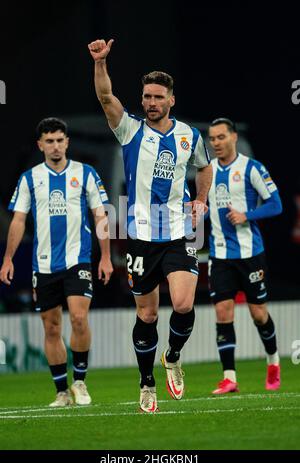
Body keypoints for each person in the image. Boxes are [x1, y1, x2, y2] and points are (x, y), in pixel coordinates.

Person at [88, 38, 212, 412]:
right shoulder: (129, 130)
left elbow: (205, 167)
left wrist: (201, 200)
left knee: (185, 302)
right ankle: (146, 383)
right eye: (146, 96)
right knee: (147, 314)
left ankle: (172, 356)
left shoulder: (189, 135)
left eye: (158, 97)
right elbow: (106, 97)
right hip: (141, 233)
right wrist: (100, 63)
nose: (151, 103)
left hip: (176, 229)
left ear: (171, 100)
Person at [0, 117, 113, 406]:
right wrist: (8, 259)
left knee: (78, 318)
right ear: (40, 145)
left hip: (79, 260)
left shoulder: (85, 173)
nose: (55, 146)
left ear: (67, 142)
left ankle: (80, 381)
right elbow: (19, 220)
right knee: (51, 328)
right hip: (44, 265)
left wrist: (106, 258)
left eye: (60, 140)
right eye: (49, 141)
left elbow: (101, 215)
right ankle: (62, 391)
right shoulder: (30, 179)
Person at [207, 117, 282, 394]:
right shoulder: (207, 171)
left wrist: (246, 215)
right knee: (223, 311)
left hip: (251, 254)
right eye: (212, 138)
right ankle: (229, 378)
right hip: (220, 256)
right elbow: (202, 204)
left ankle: (273, 361)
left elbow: (276, 205)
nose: (215, 143)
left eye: (220, 137)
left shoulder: (252, 168)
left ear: (233, 137)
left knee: (258, 314)